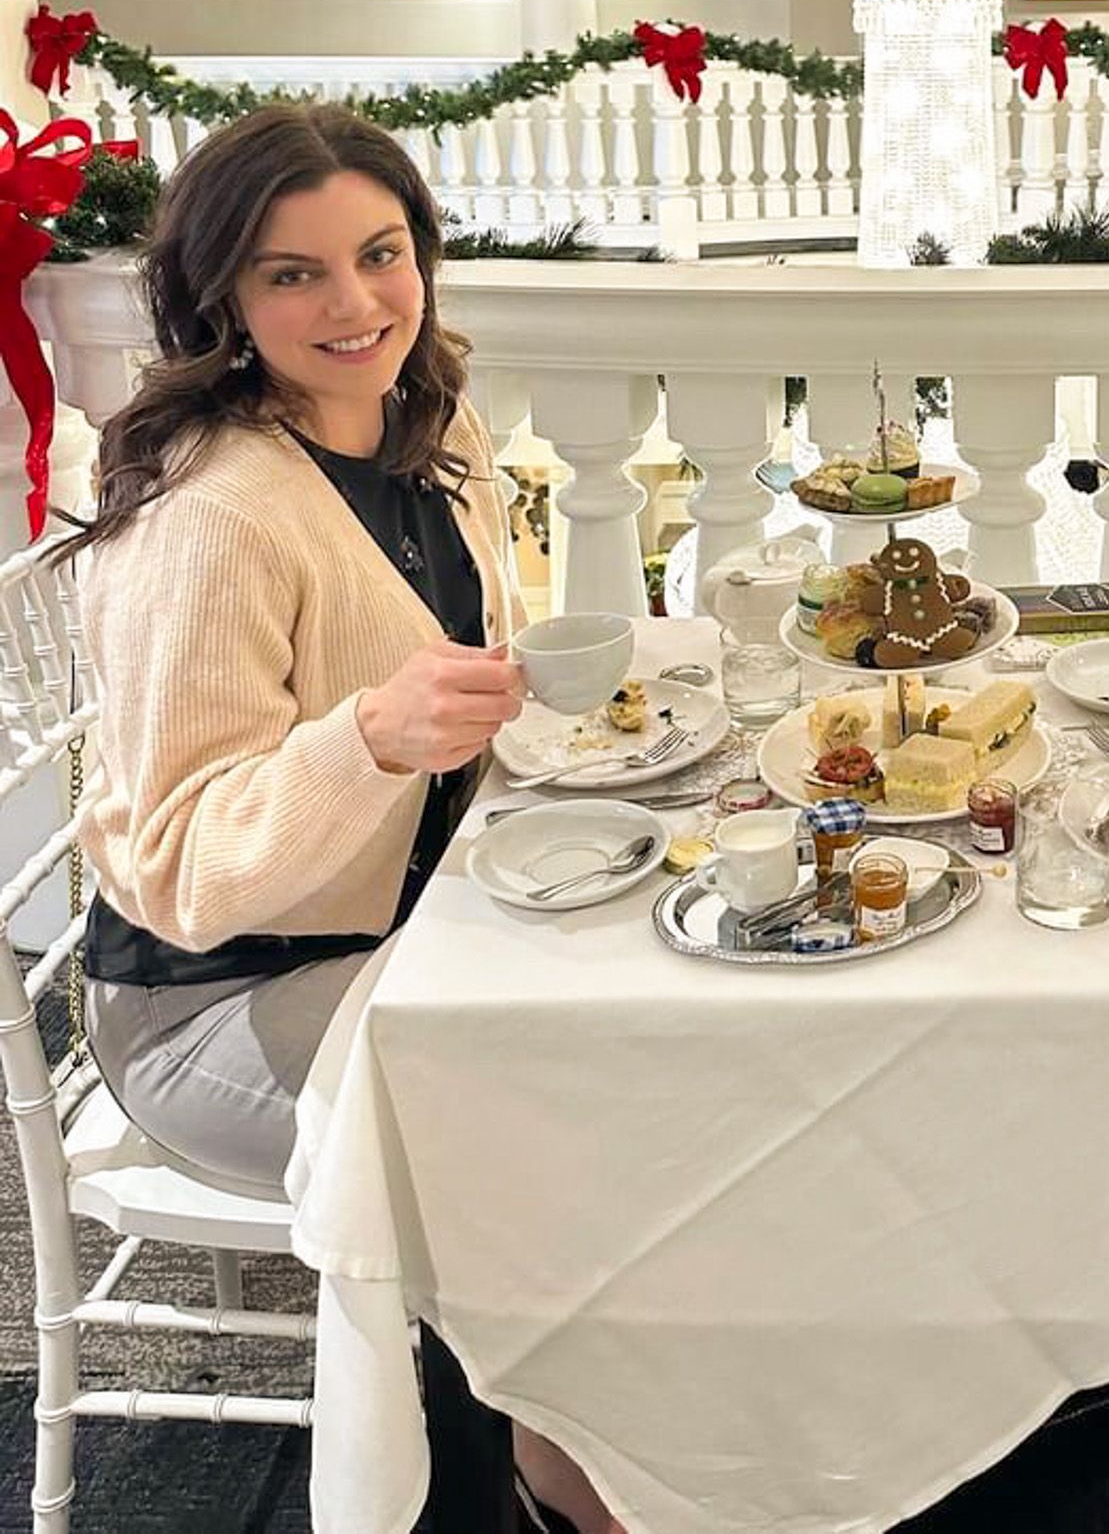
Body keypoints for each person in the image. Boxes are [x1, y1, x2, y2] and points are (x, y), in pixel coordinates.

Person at [66, 102, 614, 1534]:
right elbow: (180, 870)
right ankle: (520, 1485)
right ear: (225, 299)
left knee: (640, 1041)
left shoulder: (431, 427)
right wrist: (365, 741)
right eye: (291, 273)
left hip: (413, 933)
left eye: (379, 254)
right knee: (541, 1131)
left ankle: (590, 1446)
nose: (355, 303)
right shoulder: (213, 516)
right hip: (215, 1000)